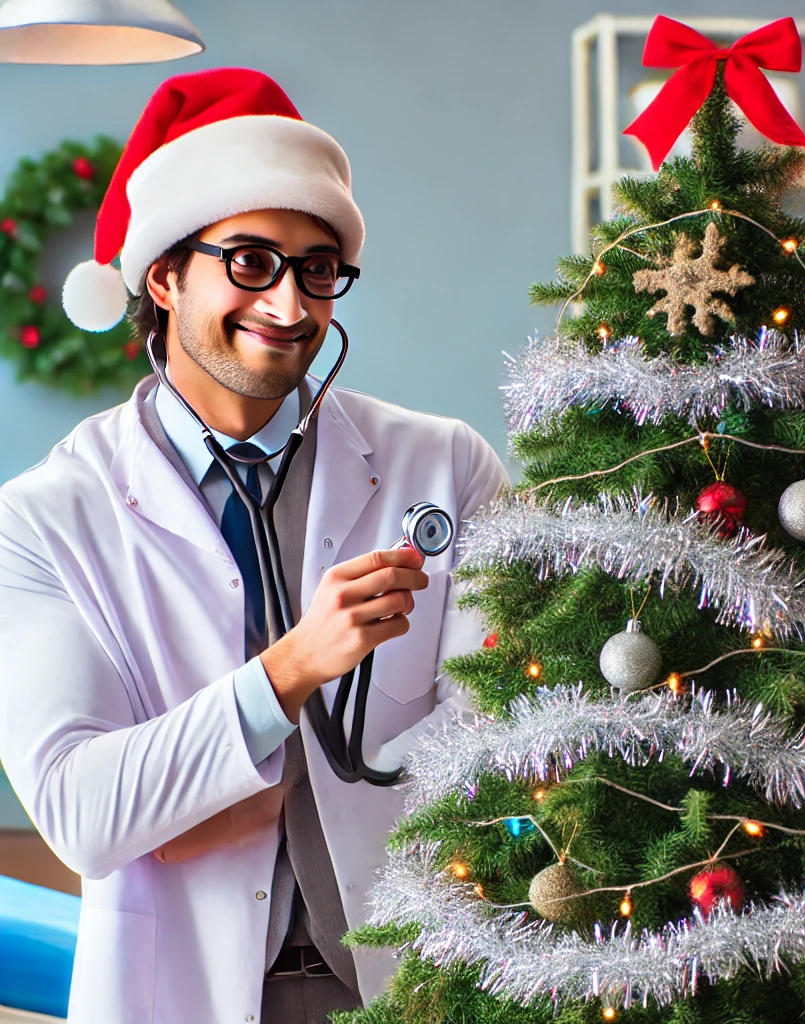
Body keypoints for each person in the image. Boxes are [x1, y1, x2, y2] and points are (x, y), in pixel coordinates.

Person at [0, 67, 509, 1024]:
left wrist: (203, 795)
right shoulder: (40, 520)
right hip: (182, 993)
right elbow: (83, 813)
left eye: (317, 268)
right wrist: (294, 670)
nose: (287, 304)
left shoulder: (446, 466)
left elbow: (504, 740)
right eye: (249, 261)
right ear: (163, 273)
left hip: (413, 981)